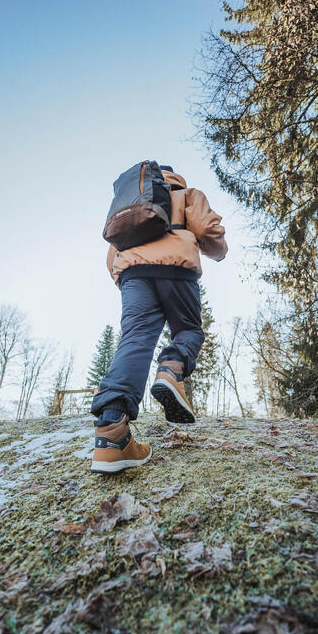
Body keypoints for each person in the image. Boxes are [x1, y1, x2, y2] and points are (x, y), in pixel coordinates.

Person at [90, 165, 228, 473]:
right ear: (174, 177)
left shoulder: (129, 204)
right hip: (177, 269)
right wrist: (218, 252)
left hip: (133, 275)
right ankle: (170, 370)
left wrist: (130, 280)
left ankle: (111, 436)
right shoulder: (185, 194)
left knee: (135, 339)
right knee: (188, 330)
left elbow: (112, 255)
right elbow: (208, 231)